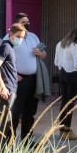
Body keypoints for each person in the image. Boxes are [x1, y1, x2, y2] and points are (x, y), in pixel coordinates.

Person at [4, 13, 46, 145]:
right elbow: (3, 59)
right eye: (23, 22)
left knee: (30, 113)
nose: (27, 24)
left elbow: (44, 56)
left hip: (33, 79)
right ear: (16, 24)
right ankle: (9, 142)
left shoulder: (33, 37)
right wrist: (14, 75)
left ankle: (27, 141)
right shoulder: (9, 38)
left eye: (28, 21)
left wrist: (41, 53)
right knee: (15, 113)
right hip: (19, 81)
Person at [0, 23, 26, 148]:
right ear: (11, 34)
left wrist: (15, 76)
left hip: (11, 88)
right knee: (4, 123)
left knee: (9, 123)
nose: (20, 39)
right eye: (18, 36)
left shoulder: (11, 47)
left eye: (22, 37)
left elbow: (6, 68)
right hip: (6, 91)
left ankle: (8, 151)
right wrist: (3, 87)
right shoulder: (5, 47)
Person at [54, 28, 77, 140]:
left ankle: (62, 130)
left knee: (64, 101)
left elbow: (56, 61)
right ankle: (67, 130)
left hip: (62, 73)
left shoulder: (59, 44)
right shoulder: (74, 46)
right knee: (70, 103)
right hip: (72, 74)